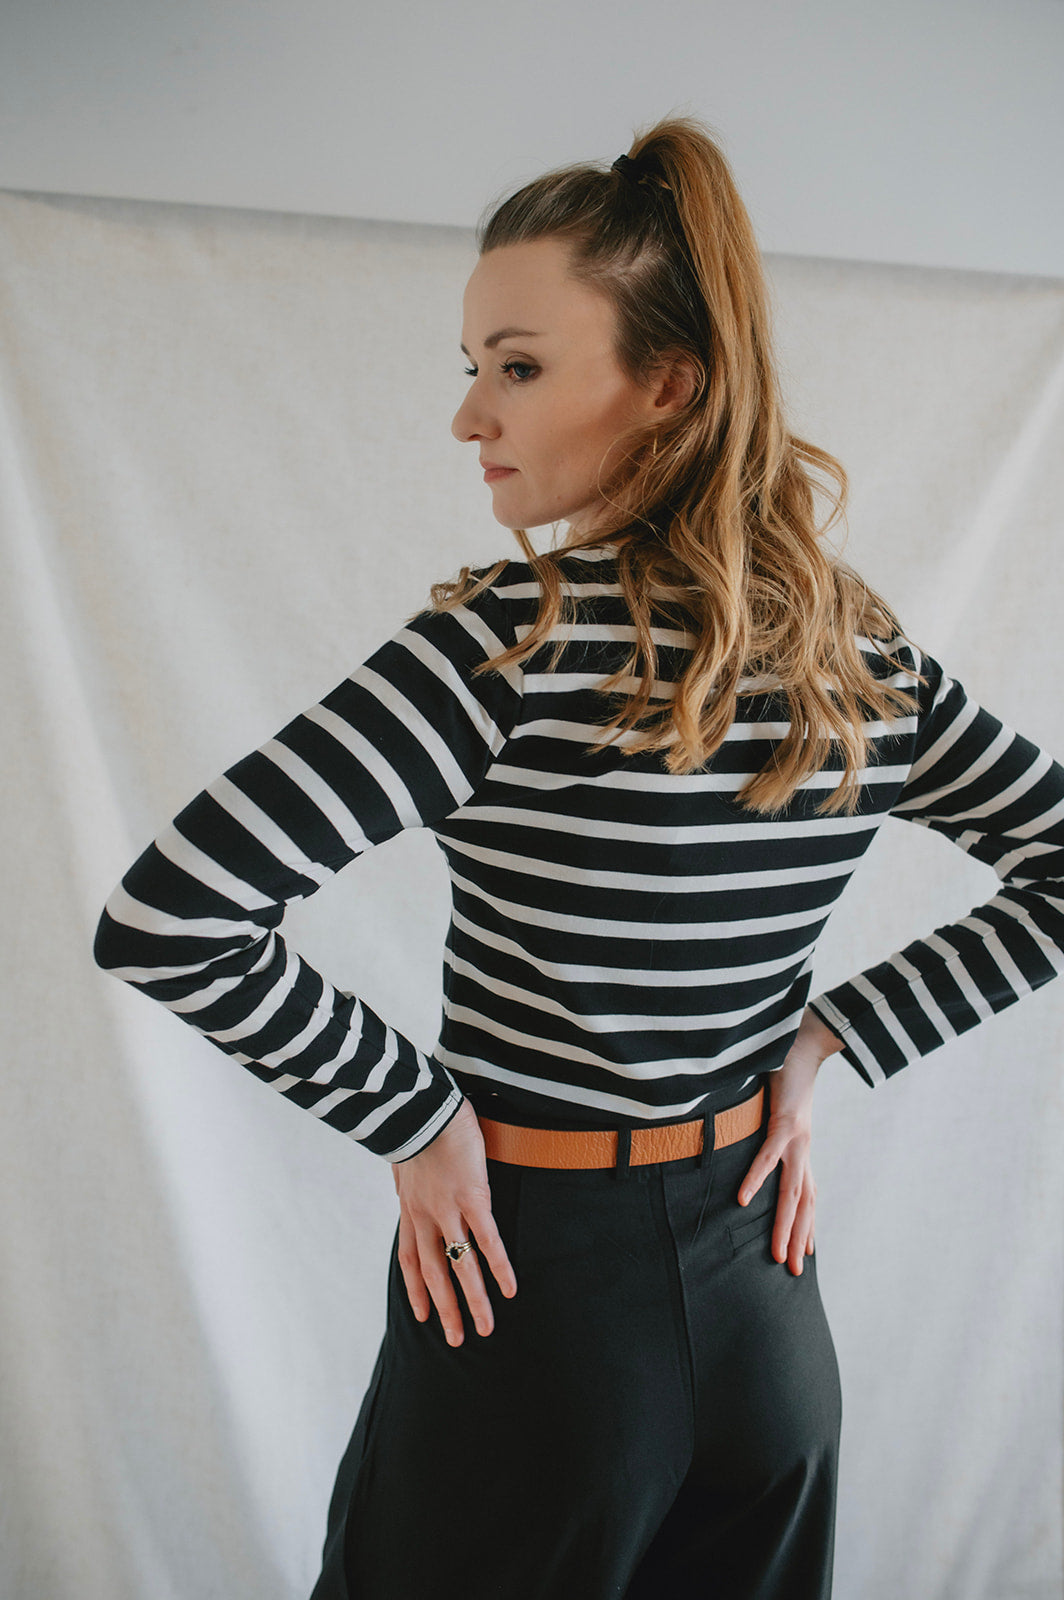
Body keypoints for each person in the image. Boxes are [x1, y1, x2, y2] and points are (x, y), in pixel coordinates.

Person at [93, 116, 1064, 1600]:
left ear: (668, 385)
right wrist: (824, 1046)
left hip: (530, 1307)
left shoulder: (509, 647)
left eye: (519, 367)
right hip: (766, 1303)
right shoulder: (855, 654)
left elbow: (171, 918)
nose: (468, 416)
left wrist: (417, 1118)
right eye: (474, 365)